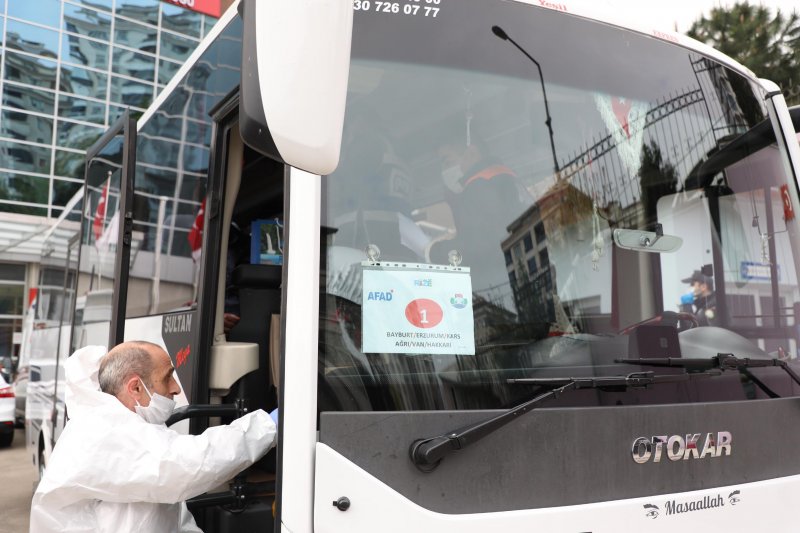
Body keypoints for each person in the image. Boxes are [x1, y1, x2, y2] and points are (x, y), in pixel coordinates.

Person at [30, 341, 278, 533]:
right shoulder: (102, 431)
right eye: (167, 377)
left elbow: (171, 520)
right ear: (136, 387)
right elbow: (187, 465)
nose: (176, 388)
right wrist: (268, 425)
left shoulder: (132, 430)